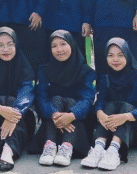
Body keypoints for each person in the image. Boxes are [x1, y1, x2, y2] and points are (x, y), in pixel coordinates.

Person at [81, 38, 137, 171]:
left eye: (120, 55)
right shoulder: (106, 76)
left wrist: (125, 117)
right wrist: (100, 113)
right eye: (111, 55)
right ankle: (99, 148)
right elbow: (100, 100)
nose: (115, 60)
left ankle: (113, 151)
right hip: (115, 128)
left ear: (127, 55)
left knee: (125, 107)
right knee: (108, 106)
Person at [0, 27, 35, 172]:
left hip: (19, 117)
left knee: (12, 101)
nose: (5, 49)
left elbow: (27, 92)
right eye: (0, 45)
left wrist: (13, 114)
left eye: (10, 44)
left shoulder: (24, 65)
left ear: (16, 45)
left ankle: (9, 149)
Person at [34, 31, 95, 167]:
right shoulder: (44, 70)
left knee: (72, 101)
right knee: (56, 99)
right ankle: (49, 146)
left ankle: (67, 147)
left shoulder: (86, 72)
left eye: (63, 44)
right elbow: (41, 97)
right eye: (54, 46)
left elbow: (87, 99)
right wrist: (54, 114)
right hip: (51, 122)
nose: (59, 49)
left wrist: (71, 115)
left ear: (72, 45)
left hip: (77, 124)